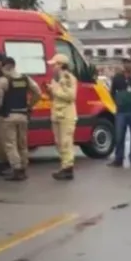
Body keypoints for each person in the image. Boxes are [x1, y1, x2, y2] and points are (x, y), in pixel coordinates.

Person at [0, 57, 42, 181]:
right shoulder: (25, 79)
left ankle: (17, 169)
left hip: (7, 117)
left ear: (3, 67)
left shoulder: (3, 80)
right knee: (22, 144)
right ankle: (24, 167)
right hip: (23, 115)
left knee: (10, 144)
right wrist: (30, 105)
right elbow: (38, 93)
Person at [46, 53, 78, 181]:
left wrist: (54, 91)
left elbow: (71, 97)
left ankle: (68, 168)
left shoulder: (68, 78)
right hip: (57, 114)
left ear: (60, 65)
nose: (52, 67)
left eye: (54, 65)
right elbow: (55, 96)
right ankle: (64, 166)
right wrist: (50, 91)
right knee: (59, 142)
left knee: (66, 142)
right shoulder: (55, 78)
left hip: (67, 115)